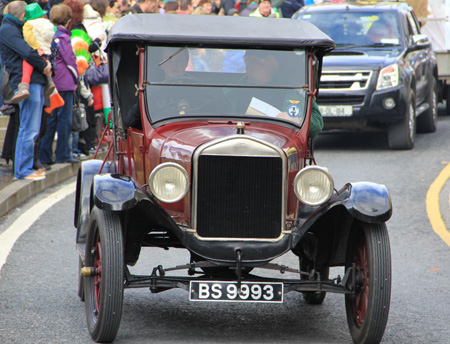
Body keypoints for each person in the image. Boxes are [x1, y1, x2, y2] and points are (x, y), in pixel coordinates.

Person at [0, 0, 51, 180]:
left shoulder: (13, 28)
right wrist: (44, 64)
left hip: (31, 80)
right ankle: (22, 170)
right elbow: (28, 52)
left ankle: (26, 167)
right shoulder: (8, 30)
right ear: (23, 16)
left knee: (31, 128)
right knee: (28, 128)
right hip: (24, 82)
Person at [229, 50, 323, 138]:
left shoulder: (294, 90)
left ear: (273, 64)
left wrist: (297, 120)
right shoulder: (231, 90)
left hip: (278, 141)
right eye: (248, 60)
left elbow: (317, 123)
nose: (252, 65)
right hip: (236, 137)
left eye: (258, 61)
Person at [39, 4, 79, 164]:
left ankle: (45, 155)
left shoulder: (50, 35)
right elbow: (70, 61)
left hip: (53, 82)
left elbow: (53, 58)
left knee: (52, 120)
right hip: (65, 83)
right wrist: (76, 78)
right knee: (64, 121)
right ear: (68, 20)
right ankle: (63, 154)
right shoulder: (63, 37)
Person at [11, 2, 56, 104]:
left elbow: (28, 37)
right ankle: (50, 82)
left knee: (27, 66)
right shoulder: (48, 24)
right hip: (46, 51)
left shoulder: (29, 24)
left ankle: (24, 87)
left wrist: (36, 47)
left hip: (36, 50)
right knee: (46, 66)